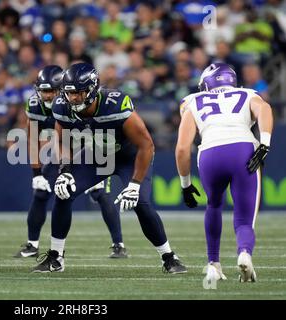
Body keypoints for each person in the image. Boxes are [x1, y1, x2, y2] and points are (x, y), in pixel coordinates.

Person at [32, 63, 187, 273]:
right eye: (70, 93)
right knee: (63, 192)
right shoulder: (61, 105)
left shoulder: (116, 104)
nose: (74, 98)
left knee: (141, 202)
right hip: (96, 154)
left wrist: (134, 184)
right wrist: (66, 169)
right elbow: (61, 139)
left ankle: (169, 257)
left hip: (128, 157)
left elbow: (146, 145)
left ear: (93, 89)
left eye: (79, 93)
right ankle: (56, 257)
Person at [15, 65, 128, 259]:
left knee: (101, 192)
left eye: (52, 90)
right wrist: (37, 173)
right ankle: (32, 244)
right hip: (64, 153)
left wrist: (93, 164)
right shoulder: (36, 105)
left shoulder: (77, 102)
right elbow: (33, 137)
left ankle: (118, 244)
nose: (47, 95)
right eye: (43, 90)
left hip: (92, 149)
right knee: (41, 191)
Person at [175, 62, 273, 282]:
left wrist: (185, 184)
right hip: (243, 150)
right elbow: (265, 108)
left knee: (214, 205)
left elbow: (182, 148)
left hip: (209, 153)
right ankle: (245, 253)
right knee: (245, 220)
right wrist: (264, 144)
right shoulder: (248, 94)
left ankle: (213, 264)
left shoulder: (192, 101)